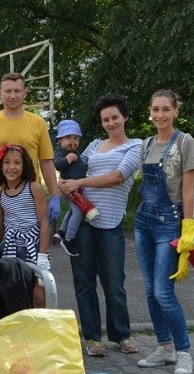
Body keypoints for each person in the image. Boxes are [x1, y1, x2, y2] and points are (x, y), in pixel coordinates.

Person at [59, 93, 142, 358]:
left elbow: (118, 177)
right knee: (84, 282)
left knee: (114, 282)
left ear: (125, 117)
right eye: (105, 119)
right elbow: (76, 171)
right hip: (84, 222)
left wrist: (79, 184)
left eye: (115, 117)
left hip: (111, 224)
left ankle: (121, 335)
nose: (110, 123)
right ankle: (93, 338)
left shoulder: (136, 146)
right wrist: (65, 186)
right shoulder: (93, 145)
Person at [134, 89, 194, 374]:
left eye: (165, 109)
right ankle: (164, 347)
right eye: (155, 109)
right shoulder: (146, 144)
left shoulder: (185, 142)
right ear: (150, 113)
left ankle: (183, 351)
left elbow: (187, 191)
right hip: (143, 221)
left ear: (176, 111)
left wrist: (188, 229)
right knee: (150, 290)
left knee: (163, 291)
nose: (159, 115)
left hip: (170, 222)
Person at [0, 72, 61, 226]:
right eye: (8, 91)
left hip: (30, 197)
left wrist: (54, 195)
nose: (12, 95)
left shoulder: (38, 123)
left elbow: (46, 161)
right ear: (0, 94)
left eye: (17, 91)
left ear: (25, 93)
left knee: (29, 244)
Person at [0, 143, 50, 309]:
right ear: (0, 166)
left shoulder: (34, 188)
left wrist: (43, 255)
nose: (12, 167)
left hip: (34, 246)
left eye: (17, 163)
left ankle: (39, 329)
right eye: (7, 162)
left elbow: (44, 222)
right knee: (16, 294)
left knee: (39, 294)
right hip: (11, 248)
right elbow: (1, 229)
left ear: (24, 165)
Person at [53, 119, 98, 257]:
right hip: (70, 188)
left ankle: (61, 231)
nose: (72, 141)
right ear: (60, 140)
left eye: (76, 138)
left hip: (77, 188)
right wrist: (69, 158)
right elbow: (58, 165)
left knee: (73, 211)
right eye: (68, 138)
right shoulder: (62, 152)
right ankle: (69, 239)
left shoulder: (76, 153)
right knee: (78, 212)